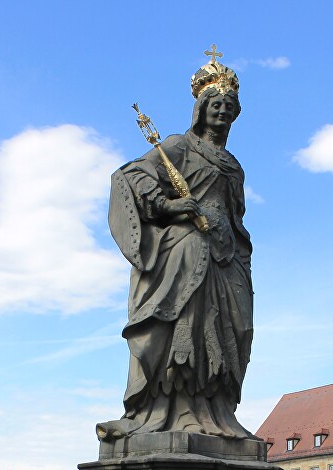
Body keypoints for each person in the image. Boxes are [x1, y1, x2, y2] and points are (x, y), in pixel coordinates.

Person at [98, 55, 254, 441]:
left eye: (229, 107)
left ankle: (218, 414)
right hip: (187, 252)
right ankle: (172, 412)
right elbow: (133, 176)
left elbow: (236, 216)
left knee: (237, 329)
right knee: (185, 330)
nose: (222, 111)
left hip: (227, 259)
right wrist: (170, 206)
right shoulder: (179, 146)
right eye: (216, 105)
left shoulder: (234, 165)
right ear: (201, 109)